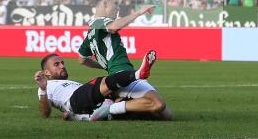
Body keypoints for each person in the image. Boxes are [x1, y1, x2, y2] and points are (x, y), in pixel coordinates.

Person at [77, 0, 172, 120]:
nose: (118, 8)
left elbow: (82, 59)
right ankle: (110, 108)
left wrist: (105, 66)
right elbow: (114, 27)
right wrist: (139, 12)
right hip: (124, 73)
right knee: (158, 105)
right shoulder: (100, 21)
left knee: (164, 115)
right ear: (104, 4)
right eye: (115, 4)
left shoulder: (90, 32)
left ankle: (119, 104)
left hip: (116, 77)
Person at [35, 52, 163, 121]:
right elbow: (45, 114)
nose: (62, 66)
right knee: (103, 82)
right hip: (75, 100)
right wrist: (43, 89)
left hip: (88, 102)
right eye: (56, 64)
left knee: (157, 109)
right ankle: (137, 74)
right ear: (46, 72)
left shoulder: (68, 83)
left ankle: (105, 111)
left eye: (62, 63)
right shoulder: (48, 86)